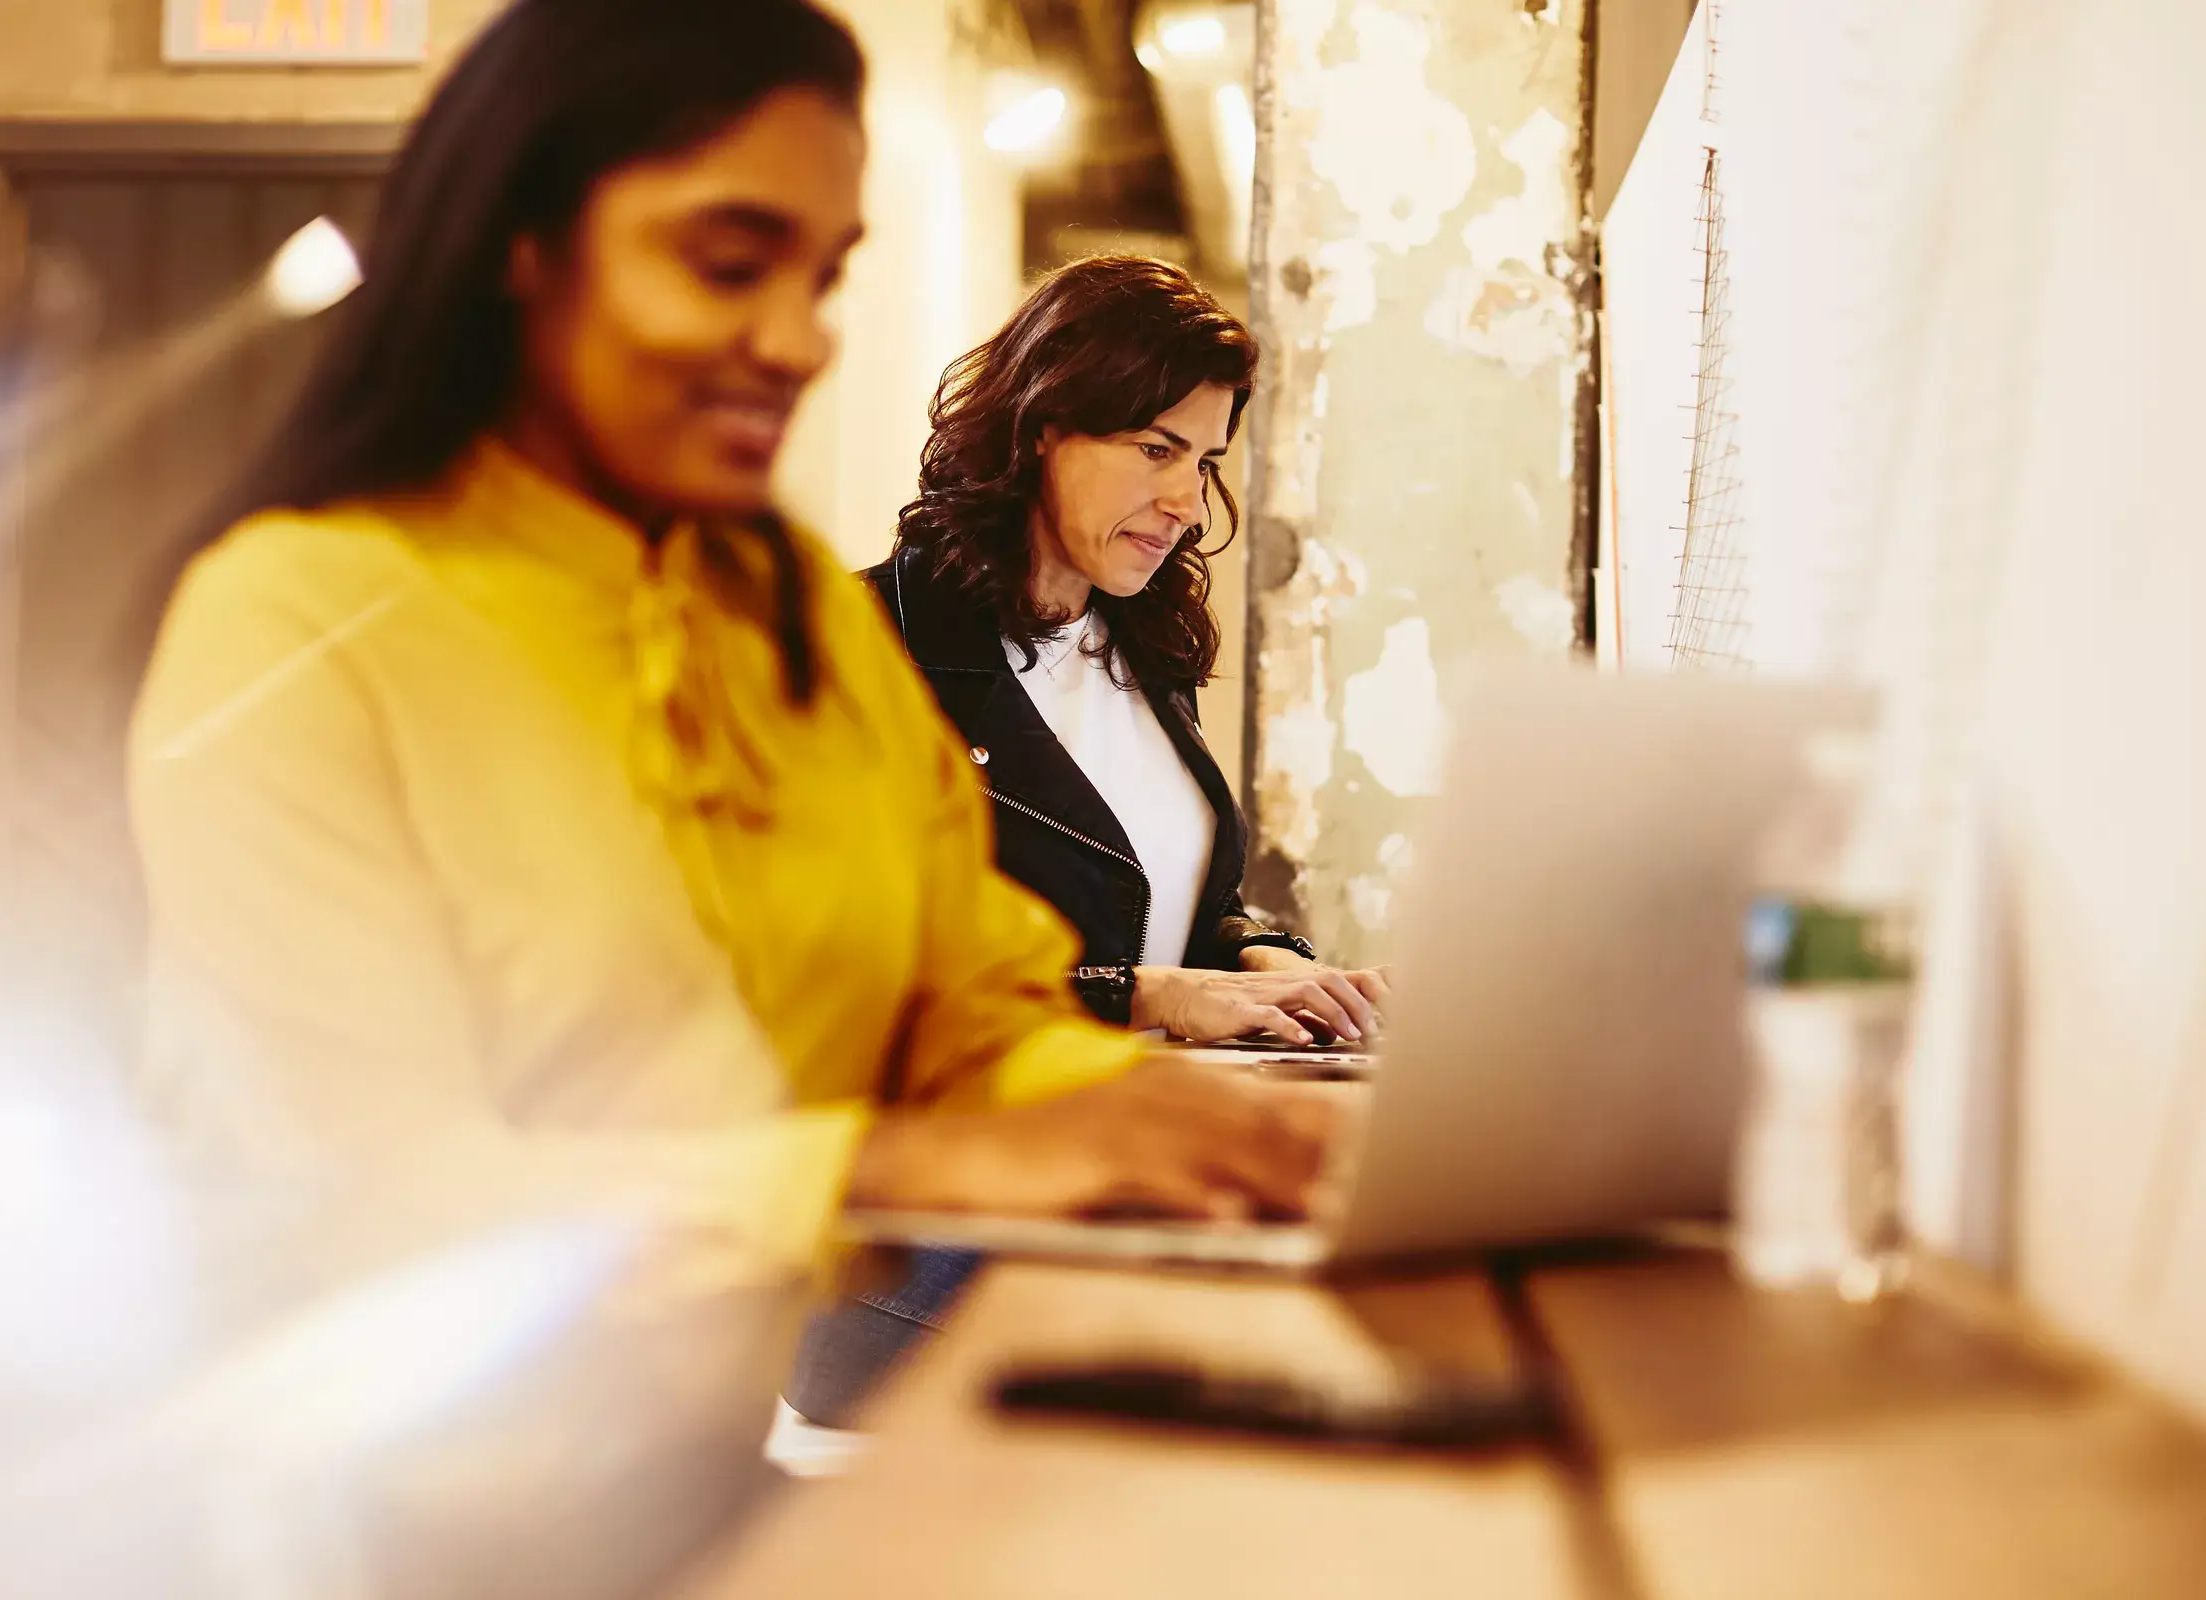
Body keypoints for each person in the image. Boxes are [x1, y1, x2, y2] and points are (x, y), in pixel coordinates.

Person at [127, 0, 1331, 1478]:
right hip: (372, 1513)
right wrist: (886, 1168)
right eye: (726, 263)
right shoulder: (303, 622)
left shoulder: (789, 630)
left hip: (687, 1478)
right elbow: (367, 1193)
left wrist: (1189, 1128)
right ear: (524, 244)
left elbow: (967, 1009)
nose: (799, 339)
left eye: (823, 278)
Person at [789, 257, 1391, 1427]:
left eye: (1207, 459)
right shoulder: (857, 649)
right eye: (1155, 447)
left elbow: (1177, 889)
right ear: (1040, 428)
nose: (1185, 498)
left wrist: (1261, 958)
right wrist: (1148, 997)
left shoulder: (1136, 652)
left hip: (1116, 1177)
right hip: (928, 1237)